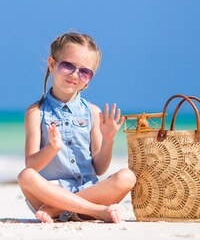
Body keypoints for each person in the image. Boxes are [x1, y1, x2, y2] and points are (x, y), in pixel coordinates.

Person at [17, 32, 136, 223]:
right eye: (67, 66)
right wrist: (52, 149)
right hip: (50, 193)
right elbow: (31, 166)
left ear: (90, 78)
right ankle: (97, 212)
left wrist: (108, 139)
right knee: (26, 176)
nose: (74, 75)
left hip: (88, 191)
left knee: (127, 177)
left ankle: (57, 210)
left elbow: (99, 168)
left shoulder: (93, 112)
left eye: (84, 72)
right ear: (52, 64)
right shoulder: (36, 112)